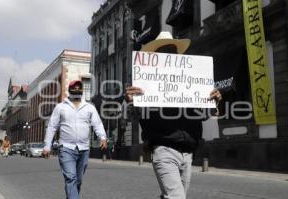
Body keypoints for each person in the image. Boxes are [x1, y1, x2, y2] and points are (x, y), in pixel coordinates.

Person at [125, 31, 223, 199]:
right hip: (164, 149)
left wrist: (213, 102)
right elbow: (133, 116)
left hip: (188, 152)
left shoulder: (190, 81)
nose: (168, 54)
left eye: (171, 50)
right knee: (177, 197)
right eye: (163, 51)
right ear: (155, 55)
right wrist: (131, 102)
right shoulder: (145, 83)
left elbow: (204, 115)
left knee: (173, 196)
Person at [42, 80, 107, 199]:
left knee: (78, 180)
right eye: (74, 88)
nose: (77, 90)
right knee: (71, 178)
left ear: (82, 91)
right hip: (66, 148)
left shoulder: (89, 107)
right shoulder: (60, 107)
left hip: (84, 149)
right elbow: (52, 126)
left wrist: (102, 137)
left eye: (79, 88)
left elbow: (97, 124)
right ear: (69, 90)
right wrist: (47, 146)